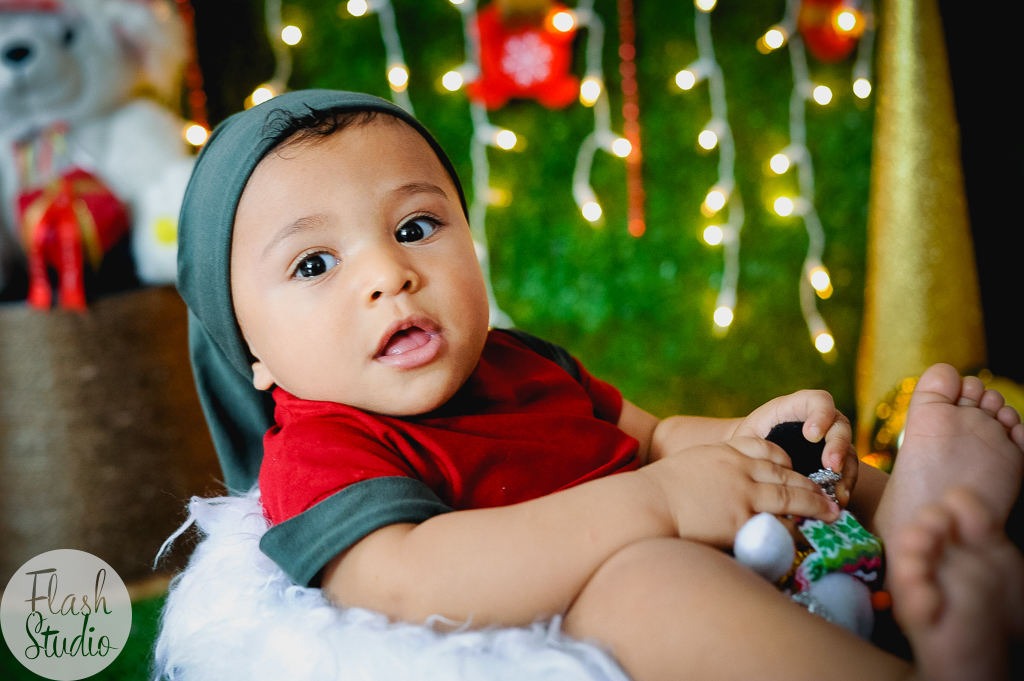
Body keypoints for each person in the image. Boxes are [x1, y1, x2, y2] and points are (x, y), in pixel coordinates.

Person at [177, 90, 1024, 681]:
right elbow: (405, 580)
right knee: (639, 582)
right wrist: (656, 503)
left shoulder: (517, 360)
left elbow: (651, 434)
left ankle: (918, 526)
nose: (390, 274)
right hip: (600, 601)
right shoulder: (324, 446)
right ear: (252, 349)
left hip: (728, 541)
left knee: (804, 465)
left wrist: (742, 438)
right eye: (315, 263)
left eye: (415, 226)